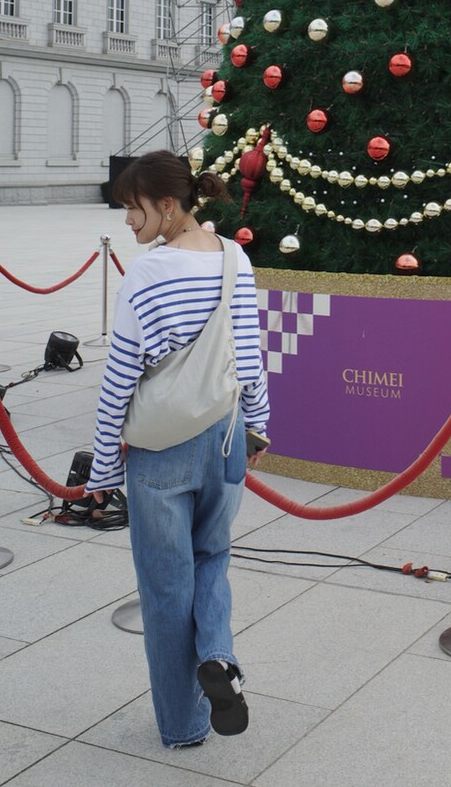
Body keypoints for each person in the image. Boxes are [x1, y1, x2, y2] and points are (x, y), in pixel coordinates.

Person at [85, 150, 270, 750]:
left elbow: (120, 375)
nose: (126, 221)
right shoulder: (235, 258)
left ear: (168, 206)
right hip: (225, 436)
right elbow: (249, 354)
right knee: (212, 555)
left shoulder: (146, 273)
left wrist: (104, 466)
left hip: (161, 449)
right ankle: (218, 657)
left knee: (166, 588)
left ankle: (185, 724)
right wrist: (258, 427)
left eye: (131, 208)